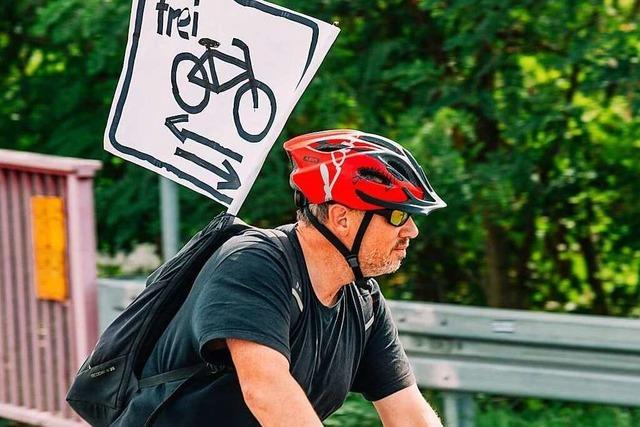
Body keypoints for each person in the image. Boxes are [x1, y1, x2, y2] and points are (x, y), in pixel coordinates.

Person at [113, 129, 446, 426]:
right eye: (399, 215)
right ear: (341, 217)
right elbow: (266, 390)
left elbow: (409, 415)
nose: (411, 231)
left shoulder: (363, 303)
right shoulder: (254, 264)